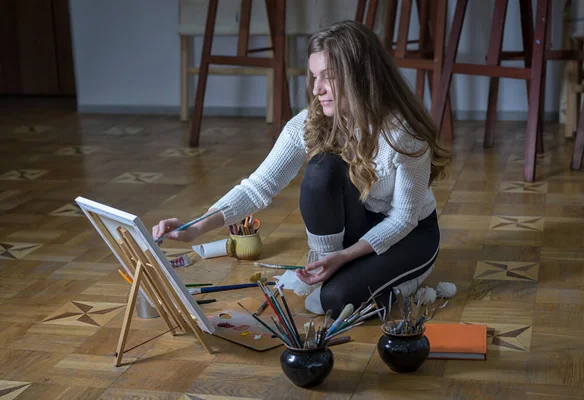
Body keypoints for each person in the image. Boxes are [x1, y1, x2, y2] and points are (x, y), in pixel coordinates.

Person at [152, 20, 450, 318]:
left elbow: (403, 219)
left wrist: (345, 256)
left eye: (328, 77)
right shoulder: (309, 123)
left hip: (410, 233)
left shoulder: (403, 134)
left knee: (334, 301)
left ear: (361, 77)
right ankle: (326, 265)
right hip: (360, 225)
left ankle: (402, 280)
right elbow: (258, 187)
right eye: (314, 76)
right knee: (322, 169)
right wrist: (195, 227)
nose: (316, 89)